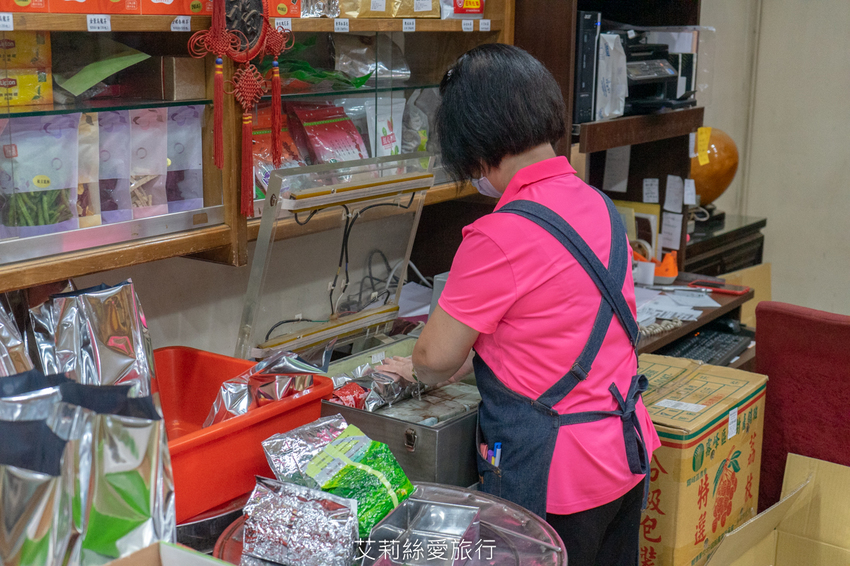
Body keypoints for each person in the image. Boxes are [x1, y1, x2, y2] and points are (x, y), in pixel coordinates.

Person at [379, 43, 660, 565]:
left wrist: (419, 369)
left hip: (556, 476)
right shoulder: (596, 203)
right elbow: (544, 331)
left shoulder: (499, 234)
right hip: (624, 453)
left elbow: (432, 357)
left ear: (477, 143)